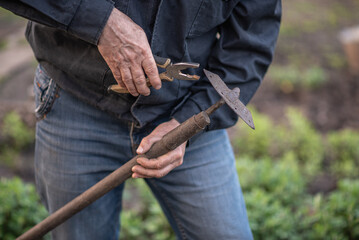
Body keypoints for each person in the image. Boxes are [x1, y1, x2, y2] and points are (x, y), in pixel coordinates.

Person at [0, 0, 281, 239]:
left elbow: (251, 41)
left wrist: (187, 122)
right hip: (76, 100)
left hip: (187, 112)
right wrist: (101, 21)